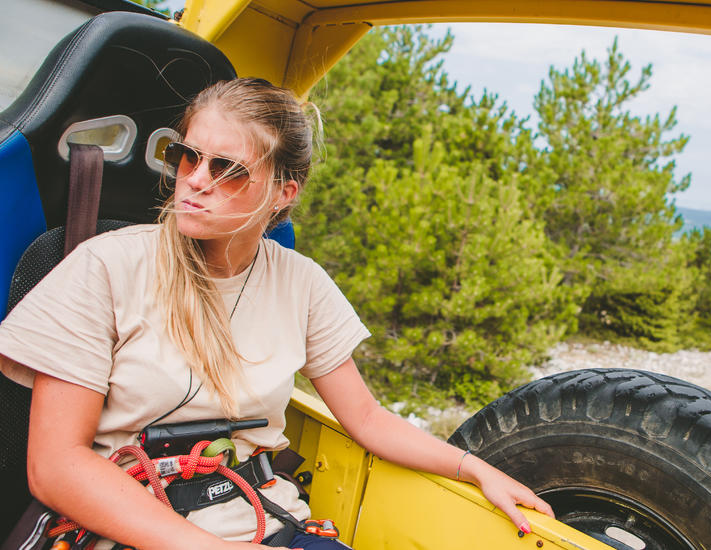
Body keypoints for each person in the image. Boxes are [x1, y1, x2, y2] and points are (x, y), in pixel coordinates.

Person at [0, 78, 553, 550]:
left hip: (267, 516)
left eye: (228, 169)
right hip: (137, 526)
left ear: (282, 193)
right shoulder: (106, 267)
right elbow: (55, 466)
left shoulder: (300, 282)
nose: (195, 180)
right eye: (187, 156)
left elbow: (366, 419)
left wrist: (475, 468)